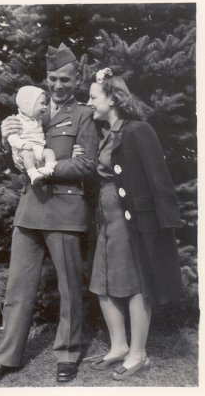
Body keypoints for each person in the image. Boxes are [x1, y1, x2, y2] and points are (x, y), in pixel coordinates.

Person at [0, 43, 98, 385]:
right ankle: (8, 356)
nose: (57, 86)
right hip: (30, 208)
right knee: (17, 287)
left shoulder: (84, 115)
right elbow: (19, 160)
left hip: (65, 209)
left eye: (64, 79)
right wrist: (7, 142)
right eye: (52, 79)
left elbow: (86, 165)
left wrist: (50, 167)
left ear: (77, 80)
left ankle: (68, 353)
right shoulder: (32, 112)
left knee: (69, 287)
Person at [85, 68, 183, 380]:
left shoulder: (138, 130)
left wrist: (164, 224)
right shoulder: (105, 134)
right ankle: (118, 347)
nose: (89, 103)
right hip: (107, 221)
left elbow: (159, 179)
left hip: (133, 221)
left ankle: (138, 353)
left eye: (93, 97)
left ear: (112, 99)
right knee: (103, 283)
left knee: (135, 285)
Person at [8, 85, 57, 185]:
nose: (45, 107)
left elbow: (51, 113)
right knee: (28, 154)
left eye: (45, 103)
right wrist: (23, 145)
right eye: (42, 103)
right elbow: (12, 137)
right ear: (28, 105)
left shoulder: (37, 119)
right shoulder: (17, 120)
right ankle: (33, 174)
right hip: (23, 151)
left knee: (49, 152)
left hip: (38, 149)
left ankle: (48, 169)